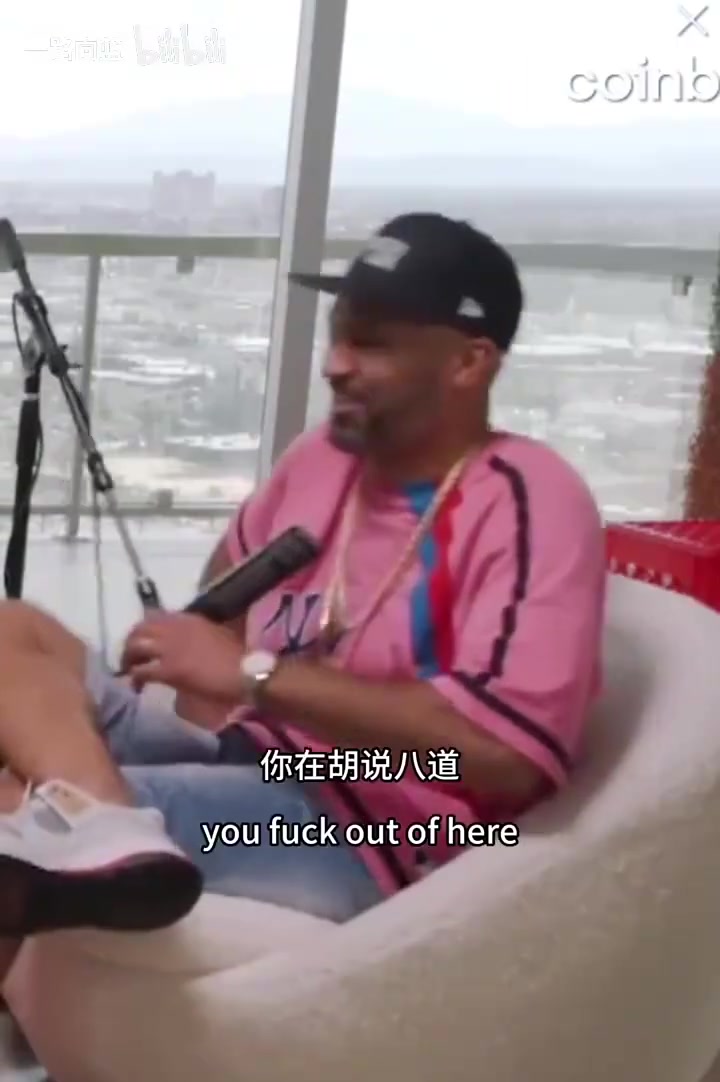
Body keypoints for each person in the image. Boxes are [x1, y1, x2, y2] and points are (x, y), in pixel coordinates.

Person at [0, 211, 606, 940]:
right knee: (12, 632)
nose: (335, 364)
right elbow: (220, 607)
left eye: (371, 343)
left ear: (469, 363)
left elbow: (504, 757)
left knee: (19, 809)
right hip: (255, 756)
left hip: (377, 829)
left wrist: (253, 676)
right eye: (338, 335)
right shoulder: (324, 458)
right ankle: (107, 825)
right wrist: (201, 702)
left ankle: (98, 829)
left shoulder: (529, 500)